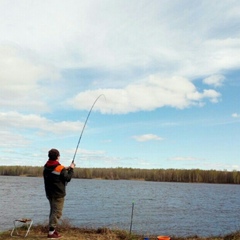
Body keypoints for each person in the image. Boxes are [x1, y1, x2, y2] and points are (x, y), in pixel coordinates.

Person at [43, 148, 75, 239]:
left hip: (49, 193)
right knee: (57, 213)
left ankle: (52, 230)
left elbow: (55, 171)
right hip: (58, 194)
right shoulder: (59, 168)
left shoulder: (46, 166)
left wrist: (66, 168)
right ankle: (51, 233)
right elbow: (68, 178)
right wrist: (71, 169)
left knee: (53, 211)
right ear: (58, 157)